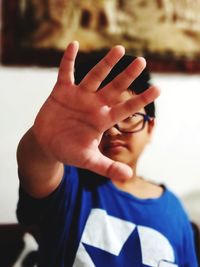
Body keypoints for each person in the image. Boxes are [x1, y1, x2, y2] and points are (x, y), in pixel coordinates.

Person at [16, 41, 198, 267]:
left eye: (128, 116)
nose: (112, 129)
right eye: (101, 118)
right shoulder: (69, 183)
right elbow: (36, 166)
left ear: (150, 128)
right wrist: (43, 141)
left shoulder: (174, 210)